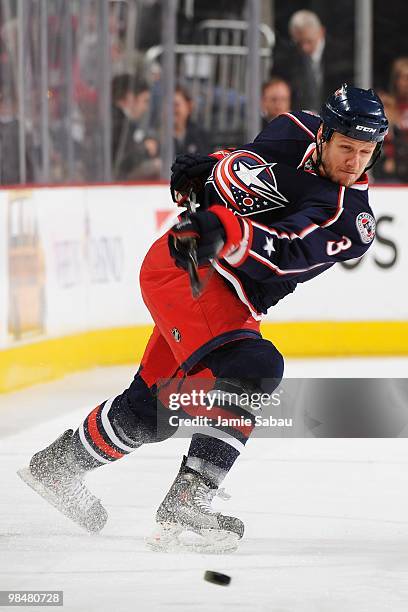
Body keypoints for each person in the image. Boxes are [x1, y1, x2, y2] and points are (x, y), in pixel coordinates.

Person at [19, 84, 388, 552]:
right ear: (323, 136)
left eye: (365, 152)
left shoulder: (351, 218)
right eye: (347, 148)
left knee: (154, 409)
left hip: (218, 290)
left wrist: (225, 229)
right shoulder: (292, 129)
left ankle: (57, 467)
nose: (354, 162)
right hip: (190, 274)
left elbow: (291, 251)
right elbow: (244, 168)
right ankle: (189, 500)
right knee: (254, 369)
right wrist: (204, 171)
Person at [273, 10, 352, 113]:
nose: (304, 48)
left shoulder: (342, 55)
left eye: (309, 41)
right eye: (299, 43)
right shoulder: (287, 59)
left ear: (321, 32)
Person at [111, 73, 160, 180]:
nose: (146, 108)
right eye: (145, 101)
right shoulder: (118, 124)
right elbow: (123, 160)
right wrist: (145, 149)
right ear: (130, 98)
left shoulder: (122, 122)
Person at [173, 86, 211, 156]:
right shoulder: (159, 136)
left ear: (189, 106)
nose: (172, 110)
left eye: (176, 105)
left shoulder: (199, 134)